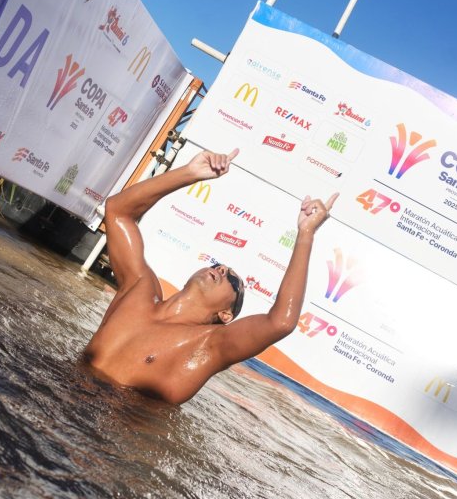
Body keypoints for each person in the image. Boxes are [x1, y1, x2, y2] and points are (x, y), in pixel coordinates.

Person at [84, 147, 338, 404]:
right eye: (219, 265)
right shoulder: (139, 291)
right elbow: (117, 211)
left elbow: (281, 322)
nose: (222, 270)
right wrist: (188, 173)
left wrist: (306, 234)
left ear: (226, 315)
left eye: (233, 281)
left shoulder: (209, 346)